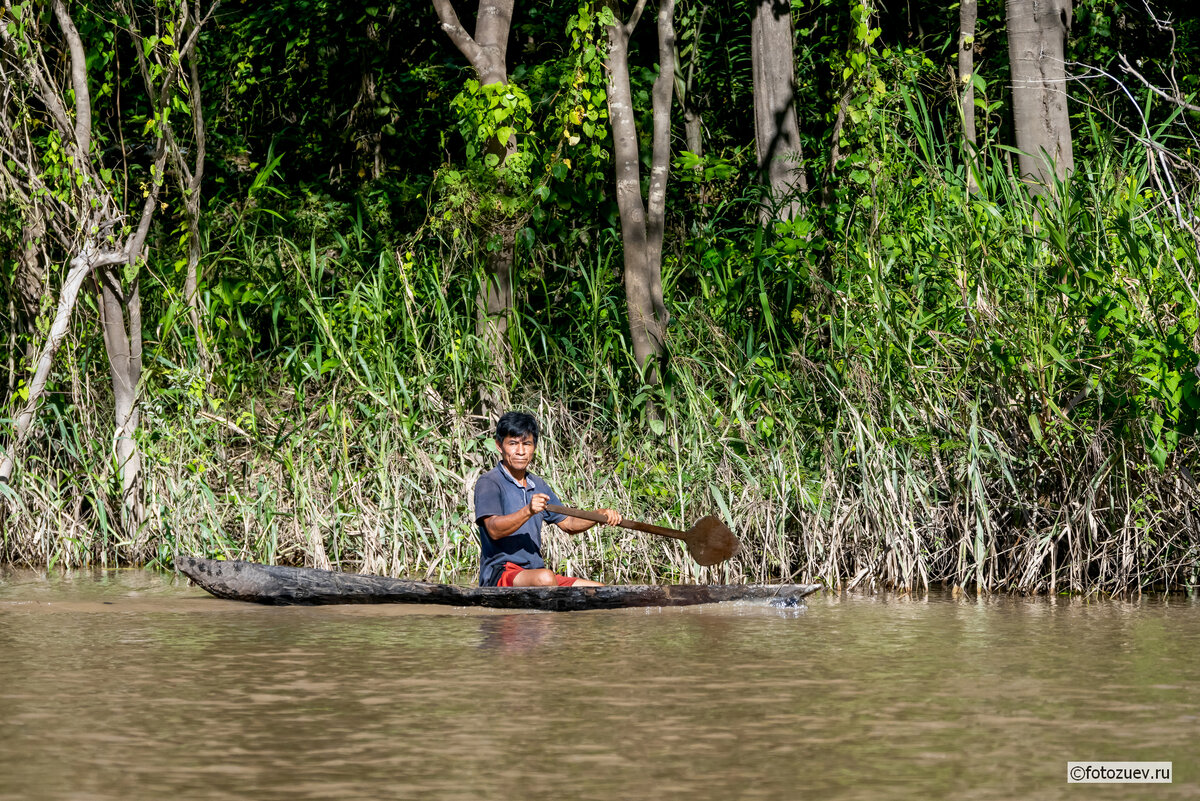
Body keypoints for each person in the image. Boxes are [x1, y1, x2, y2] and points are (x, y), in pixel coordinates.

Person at [473, 411, 621, 587]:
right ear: (499, 446)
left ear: (534, 447)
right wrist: (528, 511)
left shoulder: (538, 484)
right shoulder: (489, 482)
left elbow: (569, 524)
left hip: (535, 573)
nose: (520, 451)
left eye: (526, 444)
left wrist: (599, 515)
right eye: (512, 443)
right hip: (501, 573)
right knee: (545, 578)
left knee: (599, 589)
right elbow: (494, 530)